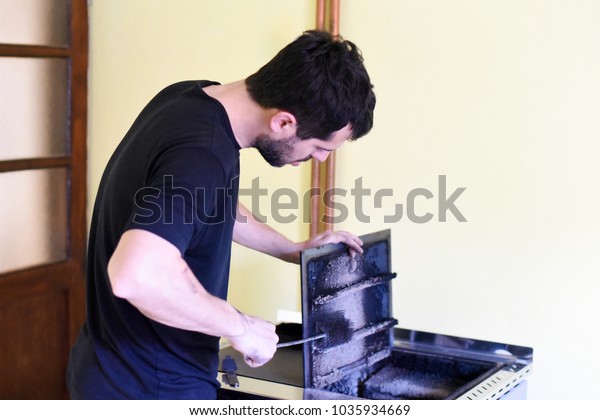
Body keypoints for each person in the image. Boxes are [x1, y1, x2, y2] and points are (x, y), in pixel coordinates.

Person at [66, 30, 376, 399]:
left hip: (106, 365)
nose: (322, 158)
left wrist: (292, 249)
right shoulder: (203, 154)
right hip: (150, 386)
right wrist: (240, 327)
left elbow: (209, 205)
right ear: (283, 122)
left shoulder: (189, 99)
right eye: (321, 146)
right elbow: (136, 275)